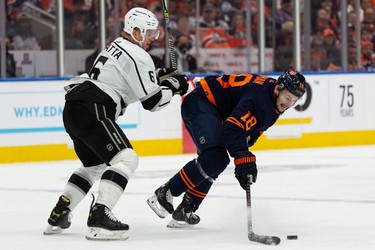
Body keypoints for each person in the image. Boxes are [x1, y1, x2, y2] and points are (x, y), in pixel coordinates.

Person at [43, 7, 189, 240]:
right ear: (137, 30)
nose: (154, 37)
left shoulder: (116, 46)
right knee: (126, 158)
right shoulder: (139, 55)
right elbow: (152, 102)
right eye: (150, 32)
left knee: (95, 166)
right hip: (94, 108)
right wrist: (174, 87)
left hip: (75, 107)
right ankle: (99, 216)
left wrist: (159, 75)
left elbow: (128, 80)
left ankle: (61, 212)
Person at [147, 68, 306, 227]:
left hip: (215, 111)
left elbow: (249, 131)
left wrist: (244, 152)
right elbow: (231, 129)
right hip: (201, 104)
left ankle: (186, 208)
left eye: (294, 100)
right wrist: (242, 155)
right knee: (216, 158)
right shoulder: (261, 99)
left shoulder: (273, 101)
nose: (289, 104)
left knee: (217, 159)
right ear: (278, 89)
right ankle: (166, 192)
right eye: (287, 97)